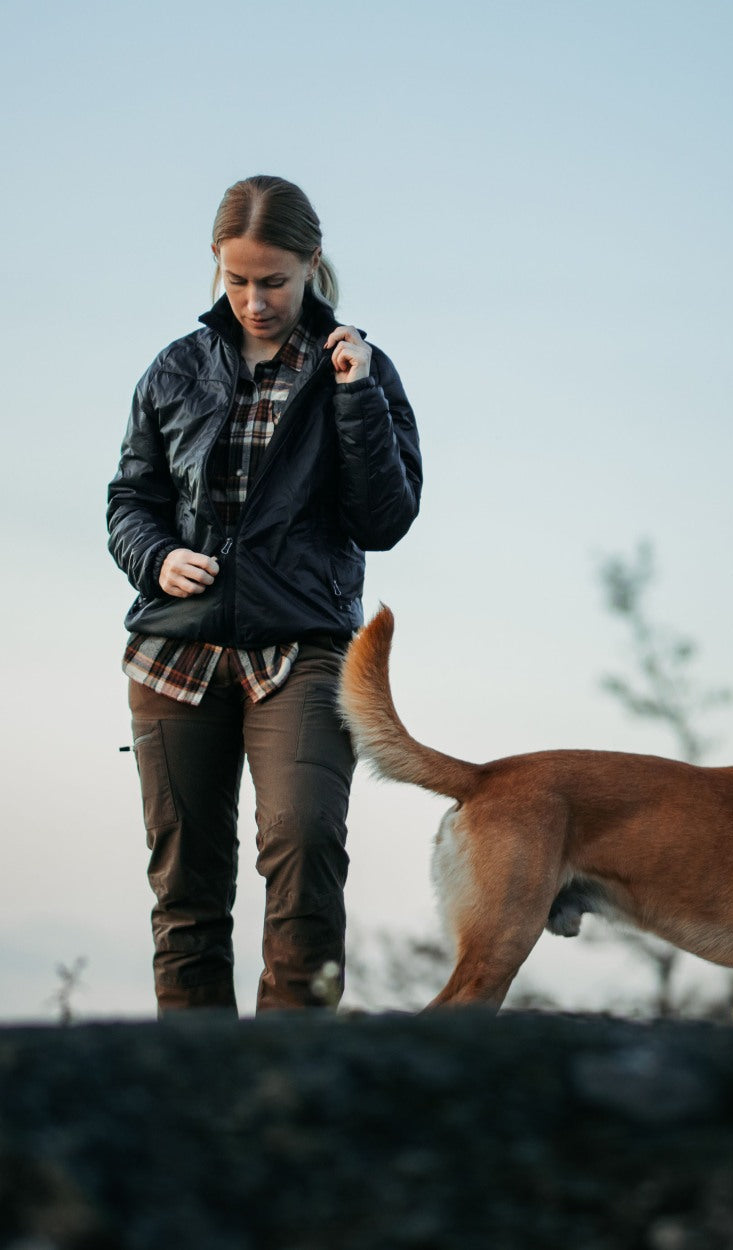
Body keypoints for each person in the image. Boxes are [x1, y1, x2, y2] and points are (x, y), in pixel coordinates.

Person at [108, 175, 421, 1014]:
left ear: (311, 265)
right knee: (186, 890)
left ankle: (292, 1088)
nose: (254, 300)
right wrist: (156, 556)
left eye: (274, 281)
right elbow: (130, 500)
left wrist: (354, 396)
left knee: (306, 845)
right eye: (237, 280)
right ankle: (197, 1099)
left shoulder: (360, 368)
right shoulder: (174, 368)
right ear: (217, 266)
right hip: (176, 656)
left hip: (304, 650)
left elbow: (385, 519)